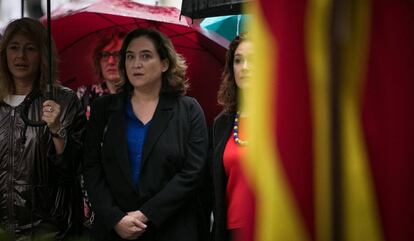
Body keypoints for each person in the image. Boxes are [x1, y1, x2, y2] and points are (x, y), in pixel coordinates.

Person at [83, 28, 209, 241]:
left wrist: (146, 213)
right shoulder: (103, 108)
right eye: (130, 56)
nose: (135, 64)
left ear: (164, 63)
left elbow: (193, 171)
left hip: (172, 228)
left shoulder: (188, 110)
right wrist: (115, 218)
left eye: (146, 56)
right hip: (115, 230)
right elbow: (91, 166)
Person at [0, 18, 86, 240]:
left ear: (43, 55)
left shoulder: (64, 100)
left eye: (30, 48)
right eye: (14, 48)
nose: (21, 56)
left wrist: (57, 128)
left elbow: (73, 166)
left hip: (47, 230)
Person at [211, 33, 254, 241]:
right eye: (238, 60)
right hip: (231, 231)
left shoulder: (281, 117)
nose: (244, 67)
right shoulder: (222, 122)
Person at [76, 30, 126, 119]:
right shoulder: (84, 95)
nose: (111, 61)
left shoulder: (141, 95)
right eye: (105, 55)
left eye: (117, 54)